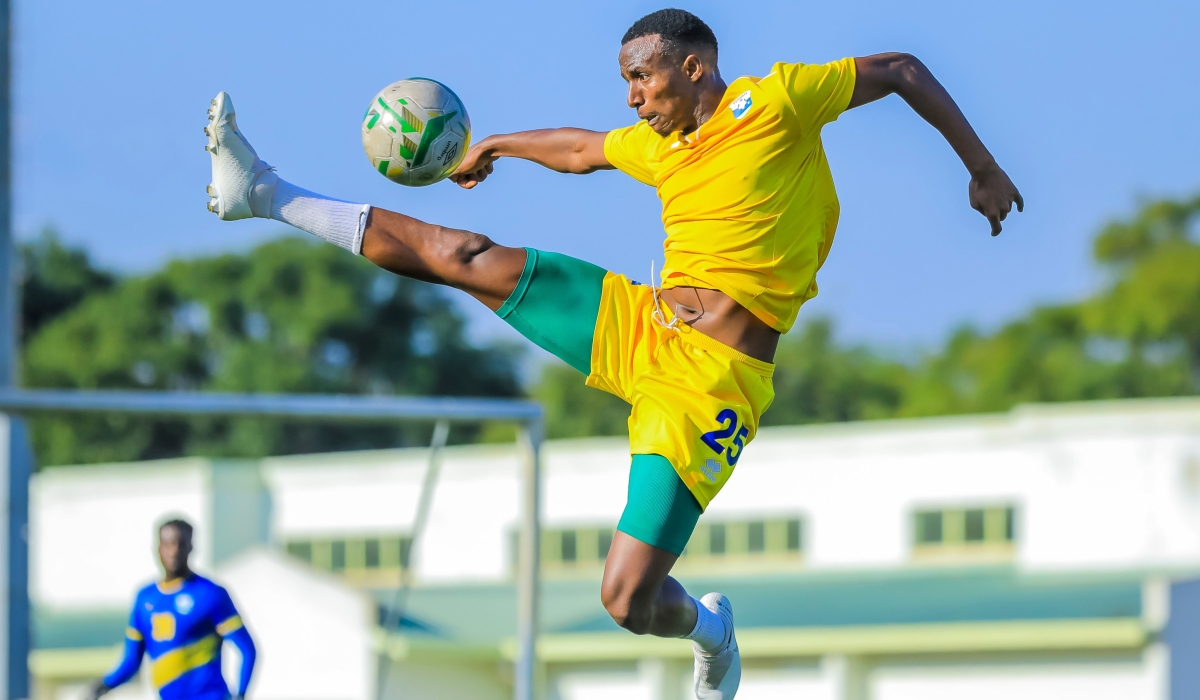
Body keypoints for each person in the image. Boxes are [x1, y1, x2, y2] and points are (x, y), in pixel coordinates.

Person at [203, 9, 1021, 698]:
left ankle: (710, 632)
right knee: (464, 257)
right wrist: (496, 145)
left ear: (694, 68)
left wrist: (981, 168)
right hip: (639, 325)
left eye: (641, 78)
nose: (632, 97)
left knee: (626, 599)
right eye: (626, 81)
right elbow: (581, 148)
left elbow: (903, 69)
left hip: (708, 386)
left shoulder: (776, 102)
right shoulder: (659, 146)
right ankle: (265, 192)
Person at [85, 519, 256, 700]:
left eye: (181, 544)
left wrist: (240, 694)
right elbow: (132, 660)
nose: (174, 551)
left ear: (191, 547)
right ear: (158, 548)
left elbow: (247, 650)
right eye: (167, 544)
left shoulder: (210, 594)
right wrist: (102, 686)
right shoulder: (145, 598)